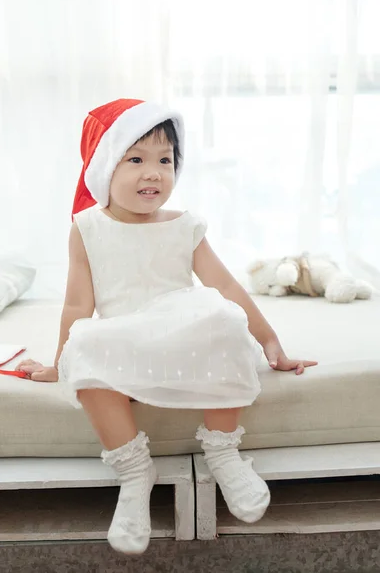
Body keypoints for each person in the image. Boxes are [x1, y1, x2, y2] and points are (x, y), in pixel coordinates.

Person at [16, 98, 317, 555]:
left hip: (180, 333)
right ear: (104, 168)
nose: (153, 172)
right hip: (127, 341)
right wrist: (61, 362)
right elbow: (78, 303)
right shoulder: (88, 227)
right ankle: (135, 471)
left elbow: (227, 287)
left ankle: (222, 451)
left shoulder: (185, 226)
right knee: (86, 344)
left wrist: (270, 340)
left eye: (165, 160)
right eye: (135, 159)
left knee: (222, 320)